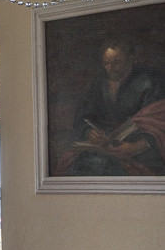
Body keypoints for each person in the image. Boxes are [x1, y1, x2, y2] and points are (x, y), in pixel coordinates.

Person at [60, 40, 165, 175]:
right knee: (79, 165)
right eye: (106, 63)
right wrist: (89, 132)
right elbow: (83, 116)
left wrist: (136, 146)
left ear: (131, 59)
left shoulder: (150, 80)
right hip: (103, 147)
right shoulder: (99, 81)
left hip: (140, 151)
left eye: (116, 63)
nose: (110, 68)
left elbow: (158, 121)